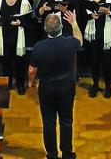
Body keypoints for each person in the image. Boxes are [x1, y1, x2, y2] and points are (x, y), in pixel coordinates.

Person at [29, 11, 83, 159]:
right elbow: (80, 39)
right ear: (61, 28)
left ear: (45, 29)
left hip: (47, 89)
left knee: (48, 122)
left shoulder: (39, 47)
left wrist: (32, 82)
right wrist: (73, 23)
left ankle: (52, 155)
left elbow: (32, 70)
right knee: (66, 121)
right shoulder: (70, 43)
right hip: (67, 88)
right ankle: (67, 153)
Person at [0, 0, 32, 95]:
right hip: (4, 35)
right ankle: (7, 84)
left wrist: (21, 22)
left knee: (19, 62)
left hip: (18, 36)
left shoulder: (24, 1)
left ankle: (20, 85)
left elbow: (29, 21)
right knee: (6, 62)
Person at [83, 0, 111, 98]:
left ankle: (108, 86)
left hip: (106, 32)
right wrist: (90, 15)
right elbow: (83, 11)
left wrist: (108, 11)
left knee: (107, 62)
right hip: (92, 32)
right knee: (94, 61)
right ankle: (95, 85)